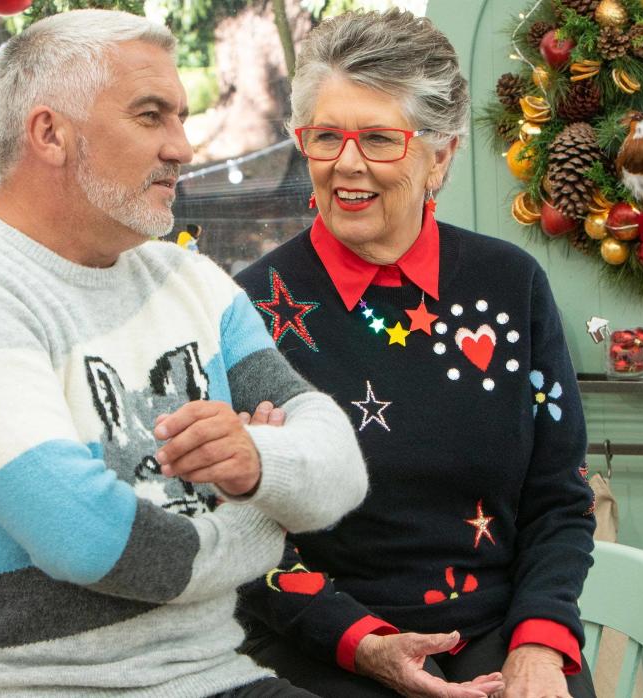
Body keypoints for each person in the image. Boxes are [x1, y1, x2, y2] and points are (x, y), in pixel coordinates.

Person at [0, 10, 368, 697]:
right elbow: (98, 544)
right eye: (151, 116)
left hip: (213, 678)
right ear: (50, 134)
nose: (183, 148)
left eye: (180, 117)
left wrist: (255, 462)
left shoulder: (190, 282)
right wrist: (263, 517)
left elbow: (342, 471)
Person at [234, 9, 596, 698]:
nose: (347, 163)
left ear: (441, 155)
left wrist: (541, 648)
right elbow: (240, 532)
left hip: (498, 634)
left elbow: (559, 501)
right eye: (326, 136)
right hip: (317, 645)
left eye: (378, 138)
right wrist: (362, 645)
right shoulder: (250, 310)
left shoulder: (511, 286)